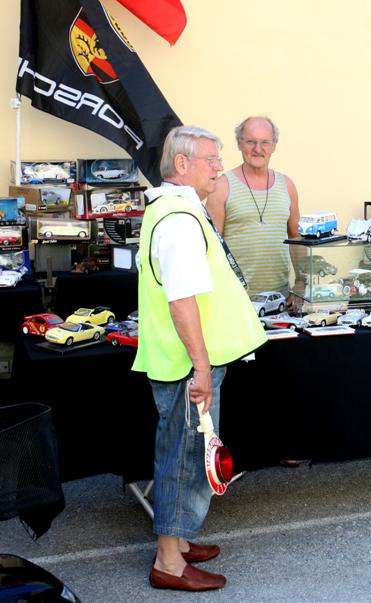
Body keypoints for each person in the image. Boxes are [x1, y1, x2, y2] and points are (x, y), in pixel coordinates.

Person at [134, 126, 267, 591]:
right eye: (212, 159)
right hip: (186, 365)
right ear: (183, 164)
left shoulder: (178, 209)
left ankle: (182, 541)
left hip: (184, 361)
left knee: (188, 453)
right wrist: (203, 368)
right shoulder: (177, 219)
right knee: (185, 458)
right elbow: (182, 299)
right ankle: (169, 562)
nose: (219, 167)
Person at [206, 116, 302, 306]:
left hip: (279, 301)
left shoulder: (287, 185)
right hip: (236, 301)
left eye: (265, 142)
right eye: (251, 141)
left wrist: (301, 283)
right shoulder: (222, 186)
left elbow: (297, 239)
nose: (258, 149)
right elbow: (212, 247)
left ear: (274, 145)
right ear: (239, 143)